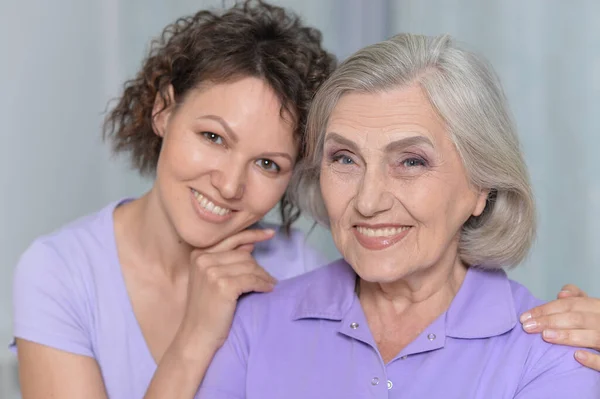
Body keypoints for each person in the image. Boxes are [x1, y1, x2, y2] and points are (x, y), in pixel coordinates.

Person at [197, 33, 600, 398]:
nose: (368, 201)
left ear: (481, 187)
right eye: (345, 158)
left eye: (410, 161)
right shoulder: (254, 323)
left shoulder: (550, 354)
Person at [11, 2, 335, 398]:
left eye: (267, 164)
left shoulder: (298, 271)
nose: (231, 186)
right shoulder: (60, 273)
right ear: (163, 110)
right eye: (213, 138)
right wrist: (196, 337)